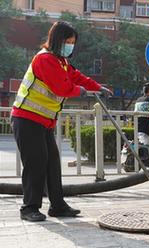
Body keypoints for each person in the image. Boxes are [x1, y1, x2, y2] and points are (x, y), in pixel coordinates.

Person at [11, 21, 112, 222]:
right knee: (36, 163)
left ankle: (57, 206)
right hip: (27, 119)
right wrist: (82, 92)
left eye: (73, 42)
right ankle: (29, 207)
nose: (70, 45)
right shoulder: (45, 60)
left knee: (52, 164)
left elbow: (77, 77)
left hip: (44, 122)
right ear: (57, 40)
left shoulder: (61, 61)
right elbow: (62, 87)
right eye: (68, 41)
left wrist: (98, 87)